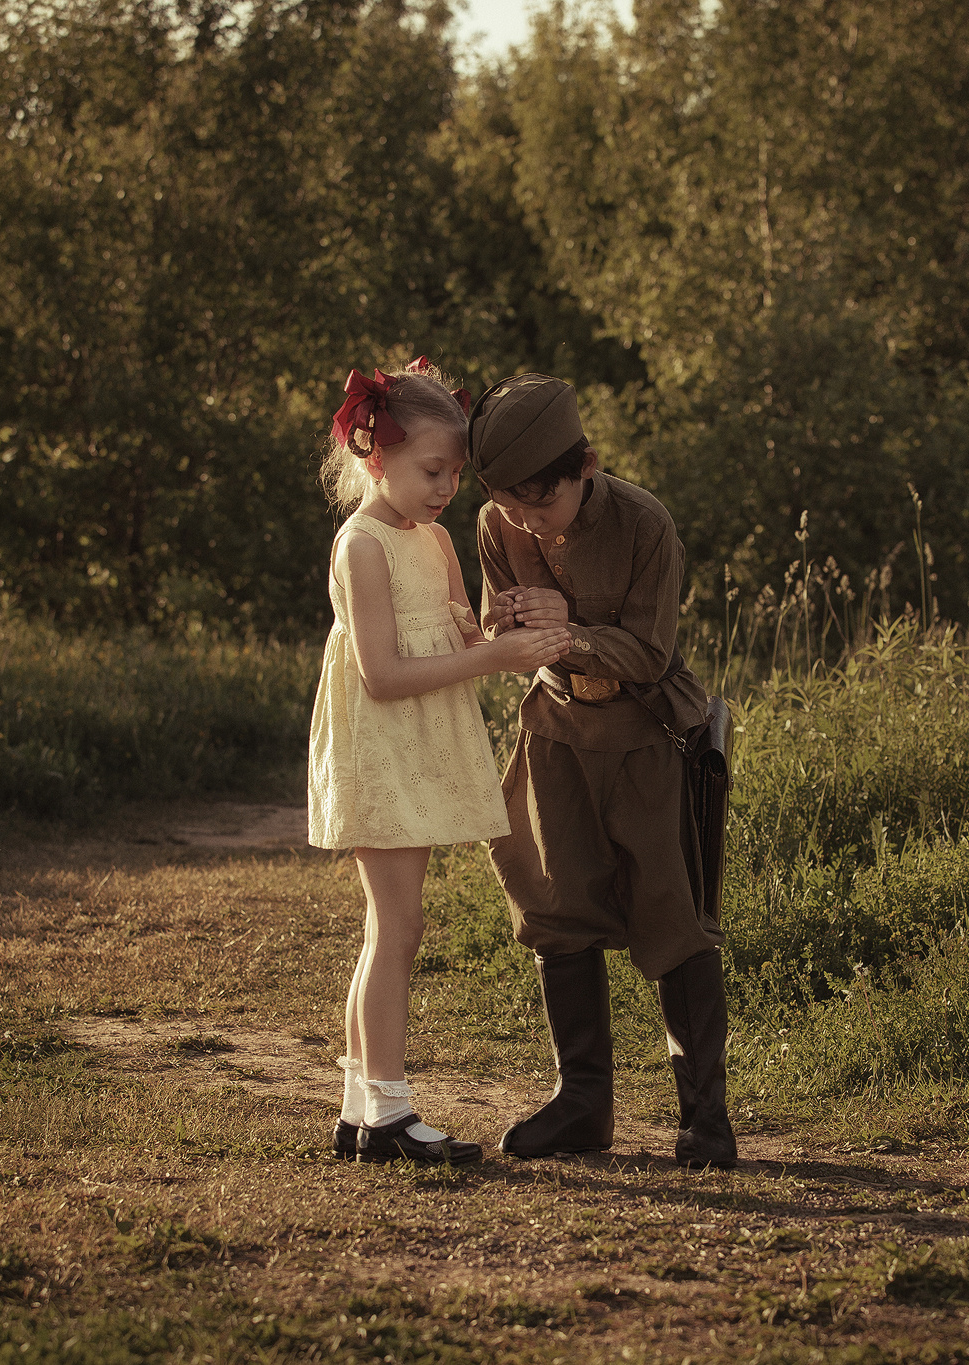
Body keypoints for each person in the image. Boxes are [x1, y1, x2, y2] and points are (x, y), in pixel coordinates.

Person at [468, 373, 739, 1169]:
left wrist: (573, 631)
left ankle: (705, 1116)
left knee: (671, 911)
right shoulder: (497, 522)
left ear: (584, 466)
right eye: (510, 506)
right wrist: (511, 620)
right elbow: (494, 615)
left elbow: (651, 652)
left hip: (648, 736)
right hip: (555, 732)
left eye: (538, 507)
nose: (524, 522)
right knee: (558, 903)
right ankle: (582, 1101)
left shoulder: (645, 522)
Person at [309, 358, 572, 1165]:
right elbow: (384, 676)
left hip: (415, 752)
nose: (446, 487)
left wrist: (514, 629)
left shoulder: (436, 539)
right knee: (398, 926)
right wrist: (494, 661)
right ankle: (387, 1110)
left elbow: (466, 641)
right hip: (380, 752)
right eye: (432, 470)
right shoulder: (362, 546)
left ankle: (363, 1108)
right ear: (373, 457)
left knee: (389, 927)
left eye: (456, 472)